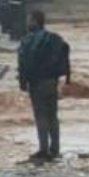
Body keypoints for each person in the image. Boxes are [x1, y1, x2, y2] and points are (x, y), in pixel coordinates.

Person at [18, 9, 70, 162]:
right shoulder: (54, 38)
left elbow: (23, 64)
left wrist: (23, 83)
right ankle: (55, 149)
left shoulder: (28, 40)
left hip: (37, 82)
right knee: (52, 115)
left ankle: (43, 149)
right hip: (53, 82)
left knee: (41, 116)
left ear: (35, 21)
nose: (27, 23)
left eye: (29, 20)